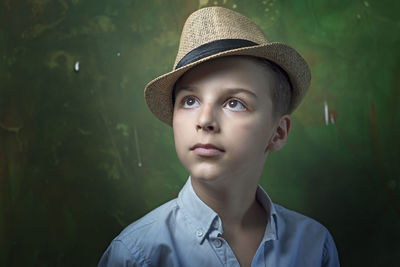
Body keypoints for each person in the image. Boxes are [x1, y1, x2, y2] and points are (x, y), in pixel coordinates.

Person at [98, 6, 340, 267]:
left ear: (278, 133)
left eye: (234, 103)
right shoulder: (137, 255)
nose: (204, 121)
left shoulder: (314, 246)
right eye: (190, 101)